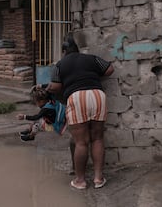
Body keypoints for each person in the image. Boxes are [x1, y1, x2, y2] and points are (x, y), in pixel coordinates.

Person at [46, 36, 114, 190]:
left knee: (81, 142)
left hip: (76, 97)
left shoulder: (60, 64)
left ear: (64, 52)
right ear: (78, 50)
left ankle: (80, 180)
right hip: (97, 94)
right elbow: (109, 69)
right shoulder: (90, 58)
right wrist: (92, 77)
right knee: (97, 138)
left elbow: (56, 86)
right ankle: (98, 178)